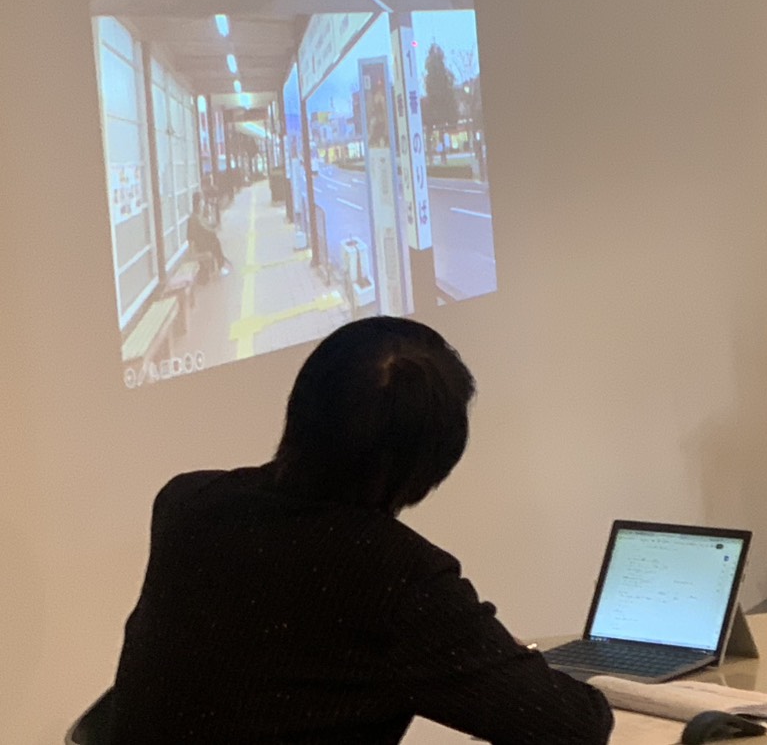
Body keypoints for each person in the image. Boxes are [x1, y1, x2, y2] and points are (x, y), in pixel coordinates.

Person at [109, 317, 615, 745]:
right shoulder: (399, 579)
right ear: (435, 459)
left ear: (299, 407)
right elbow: (572, 726)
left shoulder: (187, 502)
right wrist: (506, 656)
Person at [186, 190, 230, 277]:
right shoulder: (195, 218)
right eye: (202, 201)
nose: (203, 204)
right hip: (200, 245)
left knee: (215, 241)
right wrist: (214, 228)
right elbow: (207, 229)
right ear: (198, 203)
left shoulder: (196, 216)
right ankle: (220, 266)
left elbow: (206, 226)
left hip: (199, 243)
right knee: (216, 243)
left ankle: (219, 266)